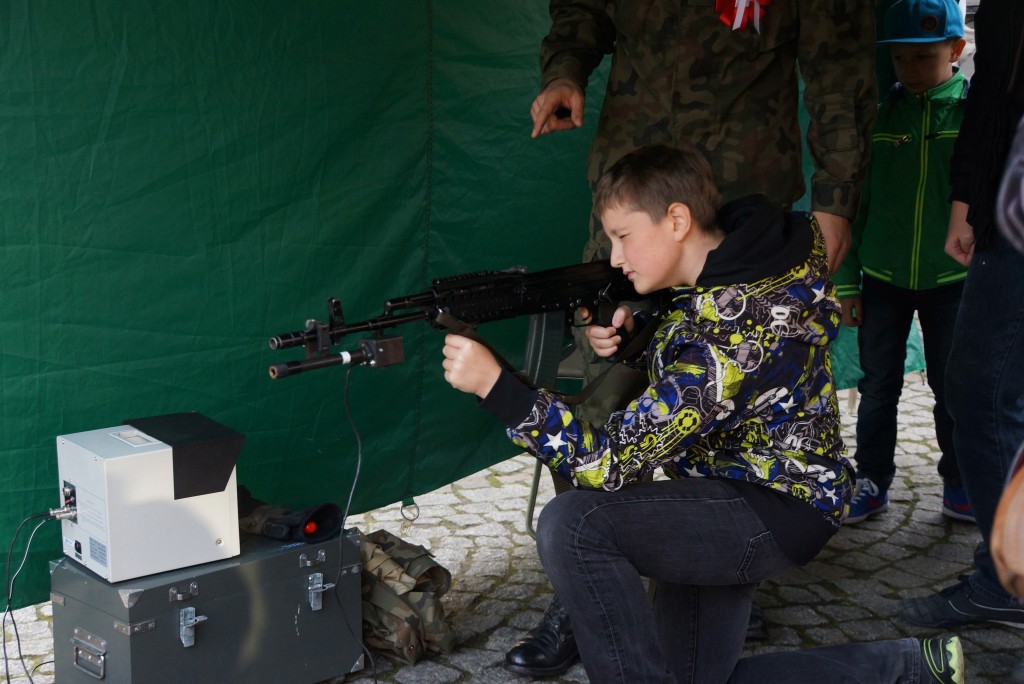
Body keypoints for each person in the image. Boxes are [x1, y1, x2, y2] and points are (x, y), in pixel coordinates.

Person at [442, 143, 964, 684]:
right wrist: (642, 341)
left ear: (677, 220)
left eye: (623, 237)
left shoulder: (733, 328)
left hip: (769, 507)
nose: (616, 257)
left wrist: (499, 388)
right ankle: (904, 670)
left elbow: (610, 462)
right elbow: (707, 357)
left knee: (574, 523)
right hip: (732, 491)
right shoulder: (744, 266)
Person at [519, 3, 878, 671]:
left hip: (733, 196)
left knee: (736, 395)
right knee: (603, 389)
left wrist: (836, 194)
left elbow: (840, 56)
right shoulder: (628, 242)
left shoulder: (750, 289)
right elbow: (582, 9)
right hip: (635, 196)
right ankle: (589, 591)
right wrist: (566, 70)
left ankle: (724, 557)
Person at [900, 0, 1024, 630]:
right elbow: (999, 85)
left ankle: (1011, 583)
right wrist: (968, 198)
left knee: (984, 389)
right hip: (1005, 192)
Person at [832, 0, 972, 525]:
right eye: (900, 60)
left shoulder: (975, 118)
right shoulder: (879, 119)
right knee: (877, 387)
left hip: (952, 282)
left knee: (951, 386)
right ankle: (871, 480)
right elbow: (852, 208)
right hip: (882, 282)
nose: (911, 71)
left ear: (955, 50)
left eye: (924, 58)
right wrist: (847, 285)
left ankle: (959, 482)